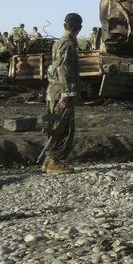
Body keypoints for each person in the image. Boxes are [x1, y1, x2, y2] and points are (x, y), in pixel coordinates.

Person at [43, 13, 83, 174]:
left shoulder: (58, 43)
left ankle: (49, 160)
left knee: (54, 125)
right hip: (61, 92)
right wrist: (66, 94)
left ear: (64, 25)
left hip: (53, 91)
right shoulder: (68, 45)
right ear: (79, 28)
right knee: (64, 128)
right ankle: (55, 161)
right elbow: (64, 70)